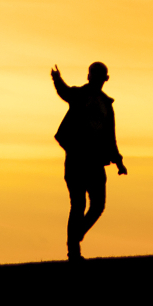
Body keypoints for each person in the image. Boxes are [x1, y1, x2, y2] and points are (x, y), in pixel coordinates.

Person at [53, 61, 127, 261]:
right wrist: (57, 78)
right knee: (78, 204)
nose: (94, 77)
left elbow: (111, 137)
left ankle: (76, 236)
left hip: (95, 161)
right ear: (88, 76)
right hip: (77, 159)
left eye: (99, 74)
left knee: (98, 205)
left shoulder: (106, 104)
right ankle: (73, 251)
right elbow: (65, 92)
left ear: (105, 79)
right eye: (92, 73)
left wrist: (118, 161)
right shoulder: (79, 95)